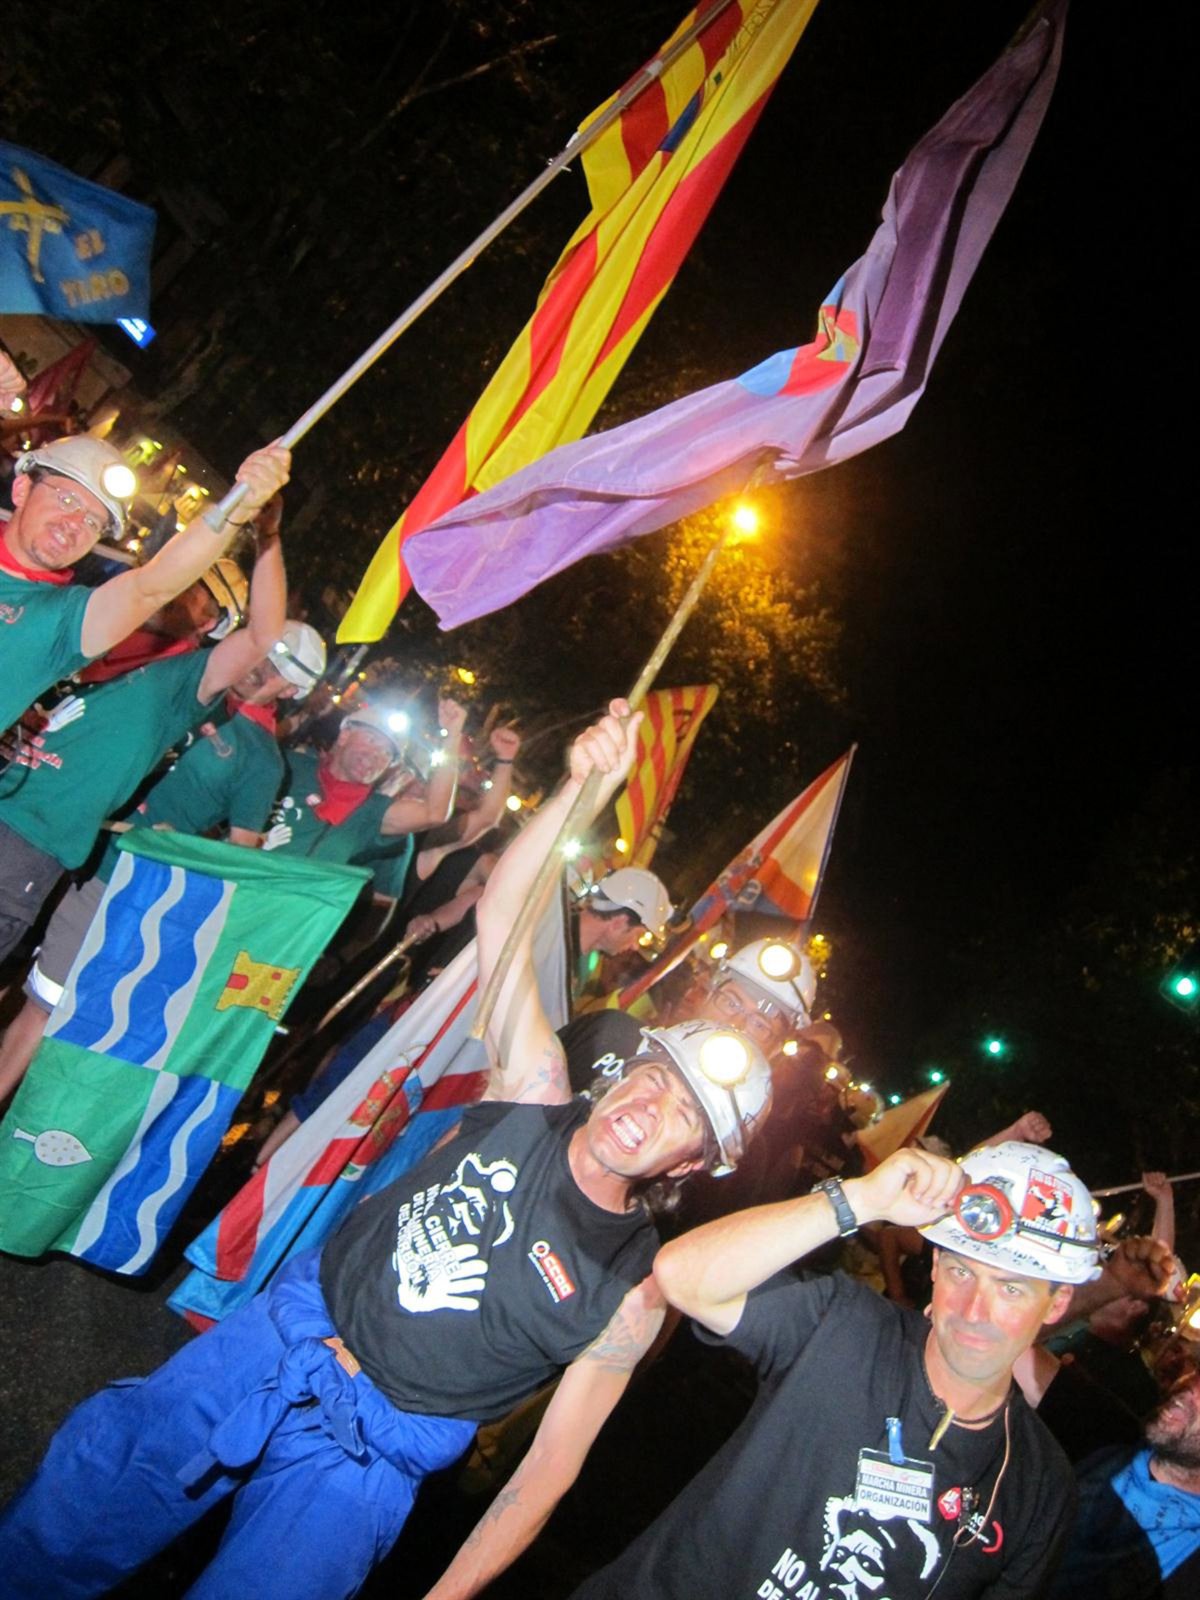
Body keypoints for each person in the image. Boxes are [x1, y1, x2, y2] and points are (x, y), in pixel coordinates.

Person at [0, 699, 775, 1600]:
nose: (649, 1105)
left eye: (685, 1113)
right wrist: (578, 791)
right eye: (654, 1075)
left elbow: (543, 1476)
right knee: (85, 1504)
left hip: (367, 1463)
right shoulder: (535, 1093)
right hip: (285, 1335)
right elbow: (506, 914)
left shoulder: (632, 1289)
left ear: (691, 1164)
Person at [570, 1138, 1101, 1599]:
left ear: (1056, 1304)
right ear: (937, 1266)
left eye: (1011, 1289)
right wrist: (861, 1199)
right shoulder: (845, 1323)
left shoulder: (1040, 1491)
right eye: (962, 1271)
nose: (974, 1310)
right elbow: (682, 1275)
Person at [0, 621, 325, 1103]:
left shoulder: (261, 759)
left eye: (278, 669)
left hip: (112, 879)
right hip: (54, 837)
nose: (260, 670)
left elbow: (238, 853)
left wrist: (184, 850)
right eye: (263, 655)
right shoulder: (184, 677)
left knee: (42, 1004)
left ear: (293, 690)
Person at [0, 476, 289, 966]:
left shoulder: (187, 678)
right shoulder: (89, 619)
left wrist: (267, 537)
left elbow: (264, 633)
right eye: (179, 576)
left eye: (195, 589)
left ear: (210, 622)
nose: (175, 589)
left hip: (29, 844)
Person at [0, 432, 289, 729]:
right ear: (22, 489)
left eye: (92, 522)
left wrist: (239, 508)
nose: (74, 524)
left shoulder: (62, 621)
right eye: (66, 500)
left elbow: (150, 588)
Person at [264, 697, 468, 865]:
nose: (376, 755)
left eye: (387, 753)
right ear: (344, 736)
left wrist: (452, 737)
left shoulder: (370, 812)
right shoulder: (290, 766)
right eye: (371, 740)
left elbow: (435, 813)